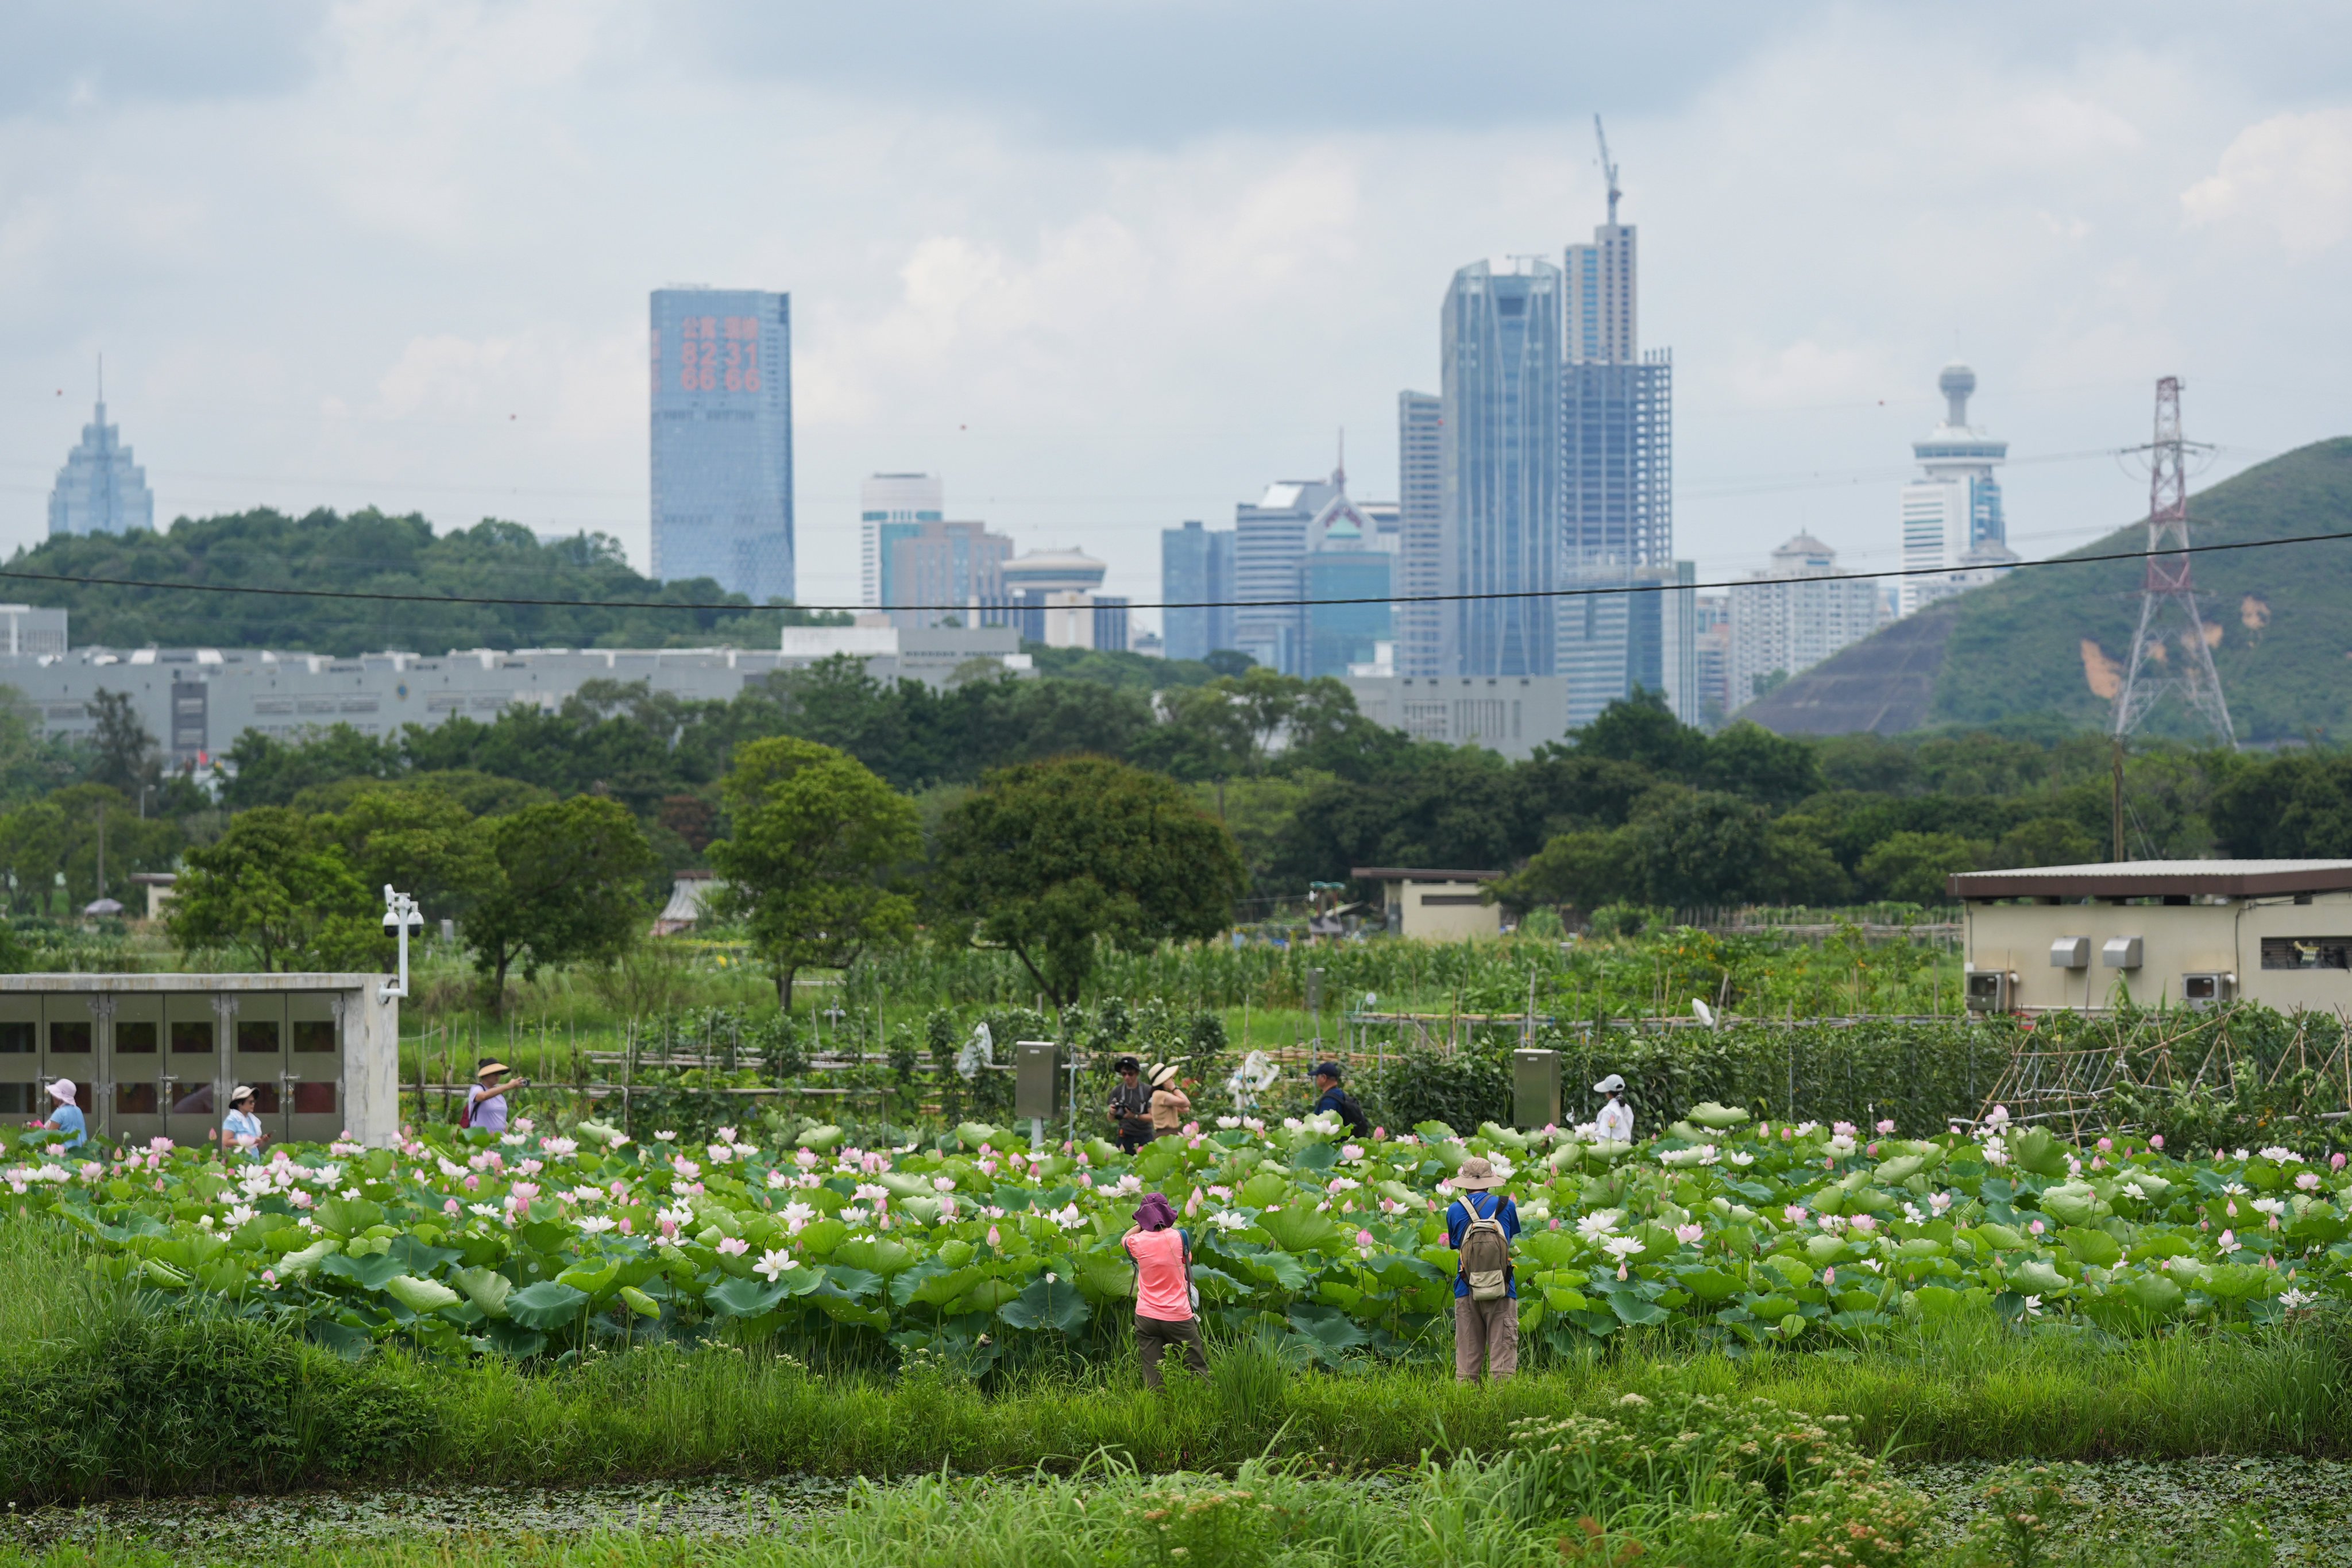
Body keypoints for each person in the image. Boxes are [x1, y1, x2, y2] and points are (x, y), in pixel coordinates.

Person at [1122, 1191, 1209, 1389]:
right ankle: (1204, 1405)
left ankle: (1156, 1410)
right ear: (1168, 1213)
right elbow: (1187, 1262)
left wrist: (1141, 1223)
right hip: (1178, 1315)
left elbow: (1124, 1239)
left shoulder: (1137, 1242)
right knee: (1196, 1368)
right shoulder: (1181, 1238)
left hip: (1146, 1317)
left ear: (1143, 1217)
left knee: (1153, 1372)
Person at [1446, 1155, 1519, 1384]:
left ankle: (1468, 1412)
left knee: (1467, 1364)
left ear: (1464, 1183)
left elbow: (1457, 1244)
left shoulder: (1454, 1210)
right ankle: (1503, 1409)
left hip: (1466, 1287)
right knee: (1504, 1360)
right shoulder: (1507, 1206)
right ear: (1490, 1181)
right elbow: (1508, 1239)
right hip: (1502, 1287)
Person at [1310, 1062, 1371, 1138]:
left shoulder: (1329, 1101)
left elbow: (1325, 1127)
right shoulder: (1341, 1094)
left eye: (1317, 1076)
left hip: (1335, 1145)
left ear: (1324, 1078)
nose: (1316, 1080)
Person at [465, 1060, 528, 1134]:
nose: (498, 1076)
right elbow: (483, 1096)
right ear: (486, 1074)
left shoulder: (499, 1093)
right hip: (481, 1138)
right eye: (495, 1073)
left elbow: (502, 1119)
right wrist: (509, 1086)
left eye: (499, 1073)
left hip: (500, 1139)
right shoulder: (477, 1089)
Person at [1107, 1055, 1152, 1153]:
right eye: (1124, 1074)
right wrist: (1111, 1112)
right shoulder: (1117, 1091)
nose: (1127, 1077)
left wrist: (1134, 1116)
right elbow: (1110, 1120)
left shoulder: (1147, 1090)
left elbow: (1153, 1117)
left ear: (1137, 1073)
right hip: (1125, 1135)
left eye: (1130, 1074)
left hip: (1144, 1135)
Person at [33, 1079, 86, 1151]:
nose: (53, 1096)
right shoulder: (78, 1110)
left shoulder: (60, 1113)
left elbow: (50, 1138)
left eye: (55, 1094)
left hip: (65, 1153)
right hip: (80, 1151)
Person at [217, 1086, 267, 1161]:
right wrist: (248, 1141)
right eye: (250, 1102)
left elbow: (255, 1146)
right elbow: (226, 1141)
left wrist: (262, 1141)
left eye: (254, 1102)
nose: (253, 1104)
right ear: (239, 1103)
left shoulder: (253, 1120)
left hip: (254, 1161)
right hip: (238, 1161)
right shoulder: (232, 1120)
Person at [1146, 1063, 1191, 1140]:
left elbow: (1186, 1109)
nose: (1173, 1080)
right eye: (1170, 1078)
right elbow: (1186, 1102)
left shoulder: (1162, 1095)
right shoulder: (1160, 1095)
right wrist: (1173, 1088)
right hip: (1166, 1135)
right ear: (1165, 1080)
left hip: (1170, 1135)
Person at [1593, 1074, 1635, 1144]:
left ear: (1608, 1093)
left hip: (1610, 1149)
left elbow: (1603, 1137)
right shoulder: (1627, 1108)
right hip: (1626, 1148)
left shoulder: (1608, 1110)